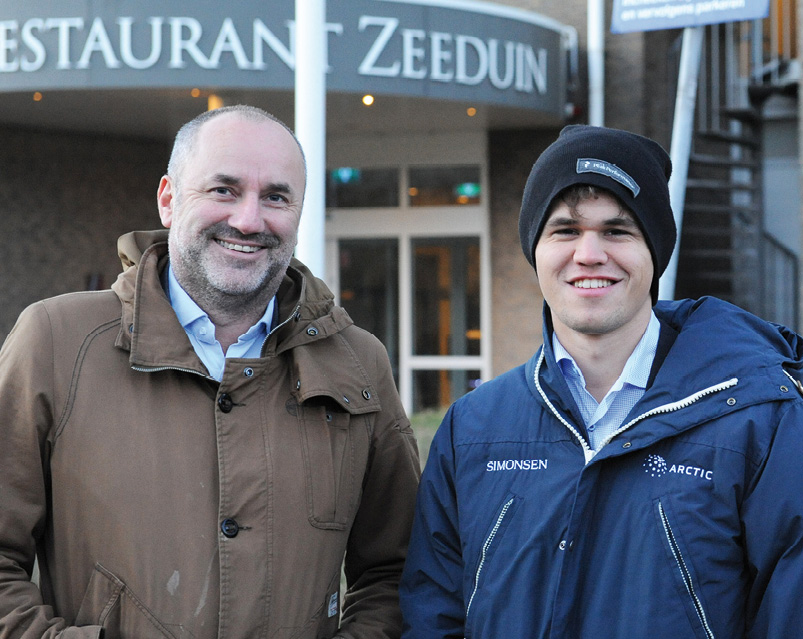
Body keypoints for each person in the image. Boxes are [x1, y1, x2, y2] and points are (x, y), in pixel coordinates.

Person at [0, 105, 420, 639]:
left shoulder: (360, 362)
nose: (249, 220)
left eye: (276, 197)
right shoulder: (55, 342)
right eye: (223, 189)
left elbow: (398, 572)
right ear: (169, 199)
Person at [399, 124, 803, 638]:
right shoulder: (473, 428)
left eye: (617, 231)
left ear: (653, 253)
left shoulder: (761, 419)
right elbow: (433, 615)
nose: (589, 254)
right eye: (565, 230)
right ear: (536, 250)